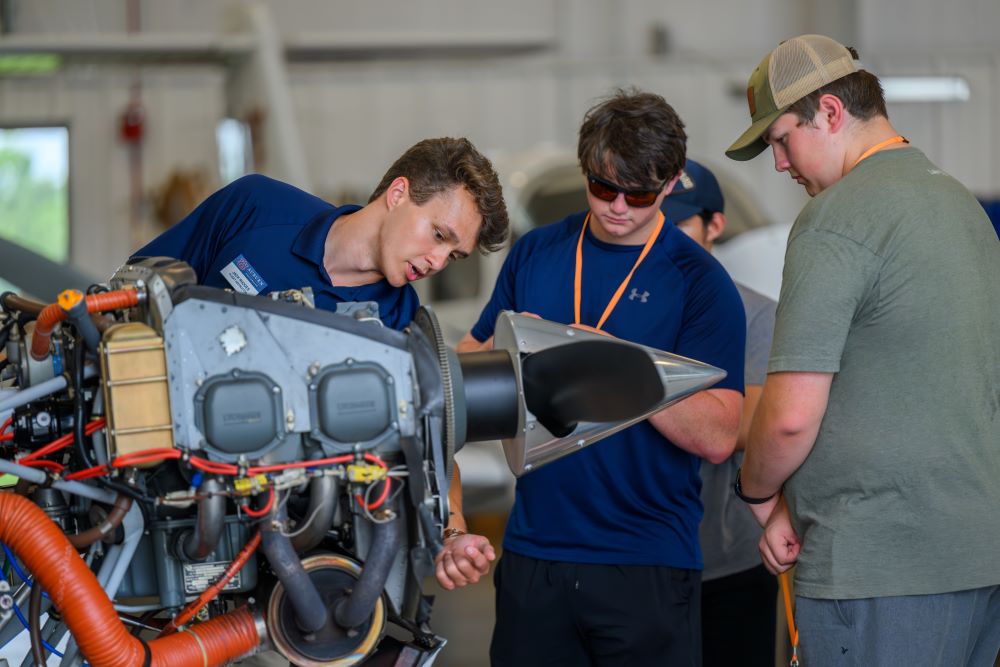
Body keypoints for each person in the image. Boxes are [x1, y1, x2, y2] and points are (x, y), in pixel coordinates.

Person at [447, 89, 746, 666]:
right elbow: (469, 358)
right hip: (536, 553)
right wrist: (517, 353)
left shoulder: (701, 283)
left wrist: (617, 365)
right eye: (603, 188)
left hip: (646, 564)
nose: (617, 208)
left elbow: (718, 436)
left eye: (639, 195)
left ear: (671, 183)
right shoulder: (537, 252)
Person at [727, 34, 1000, 664]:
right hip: (978, 555)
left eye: (780, 140)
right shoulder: (961, 206)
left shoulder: (837, 218)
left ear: (828, 112)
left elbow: (791, 415)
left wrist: (760, 493)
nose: (779, 164)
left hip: (882, 567)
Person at [132, 137, 509, 330]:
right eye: (440, 236)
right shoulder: (254, 206)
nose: (438, 262)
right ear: (398, 195)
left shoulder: (398, 320)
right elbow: (133, 289)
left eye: (453, 257)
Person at [663, 159, 778, 666]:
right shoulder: (623, 309)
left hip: (728, 562)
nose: (665, 236)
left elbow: (745, 427)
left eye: (680, 221)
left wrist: (627, 384)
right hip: (642, 562)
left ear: (714, 225)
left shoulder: (755, 313)